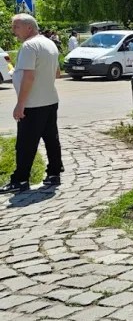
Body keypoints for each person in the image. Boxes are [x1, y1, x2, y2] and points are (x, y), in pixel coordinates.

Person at [1, 14, 64, 193]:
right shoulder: (49, 43)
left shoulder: (29, 46)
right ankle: (54, 173)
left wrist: (20, 104)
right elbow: (57, 73)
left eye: (16, 27)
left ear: (29, 27)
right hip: (50, 100)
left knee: (25, 144)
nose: (13, 31)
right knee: (51, 139)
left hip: (32, 103)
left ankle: (20, 180)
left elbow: (29, 77)